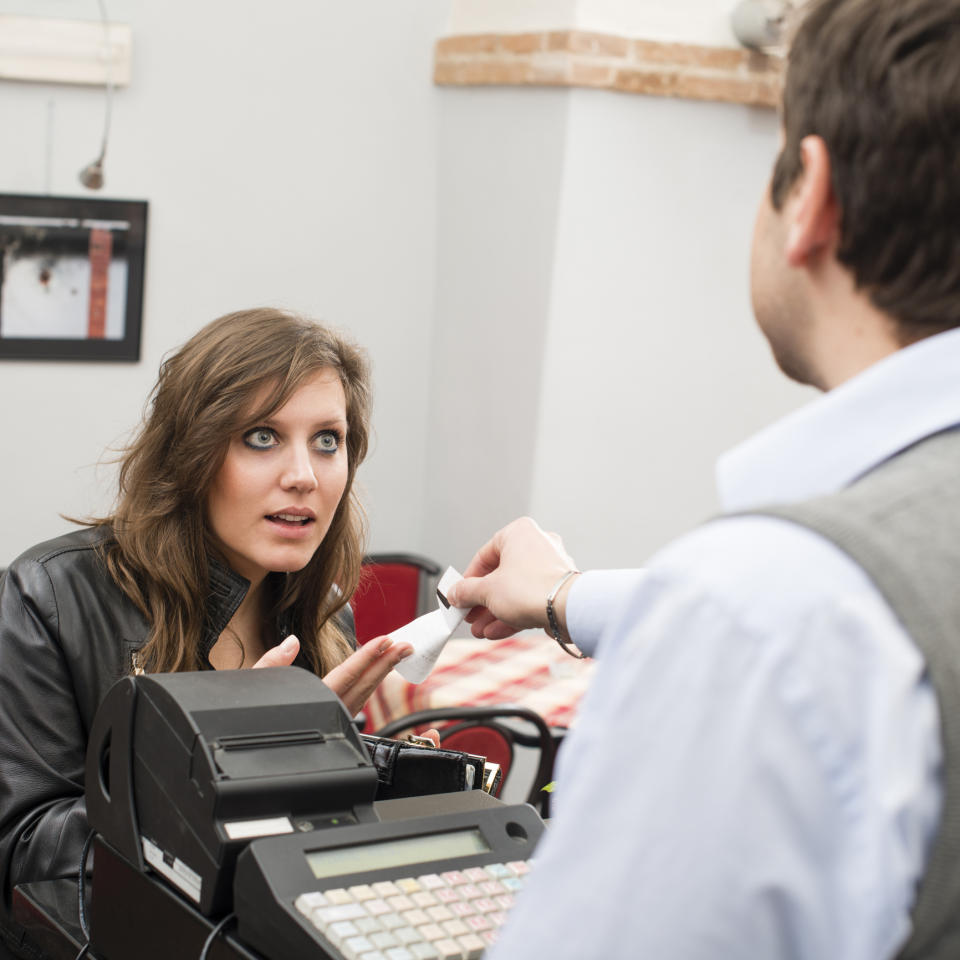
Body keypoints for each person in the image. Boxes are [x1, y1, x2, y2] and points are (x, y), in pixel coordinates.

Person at [446, 1, 960, 957]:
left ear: (810, 196)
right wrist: (563, 596)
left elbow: (795, 627)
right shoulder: (808, 606)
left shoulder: (762, 614)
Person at [0, 308, 416, 958]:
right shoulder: (47, 598)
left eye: (327, 440)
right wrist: (213, 770)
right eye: (261, 436)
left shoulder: (322, 611)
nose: (305, 474)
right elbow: (22, 856)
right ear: (191, 453)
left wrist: (374, 779)